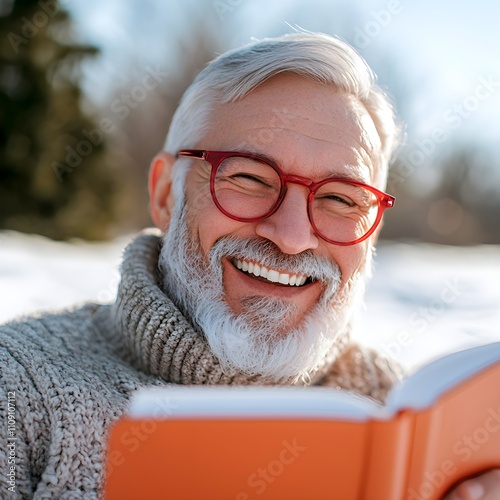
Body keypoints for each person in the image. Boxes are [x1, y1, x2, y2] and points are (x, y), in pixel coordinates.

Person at [0, 31, 498, 499]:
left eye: (342, 200)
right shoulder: (17, 389)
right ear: (165, 194)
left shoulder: (400, 412)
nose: (292, 236)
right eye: (250, 178)